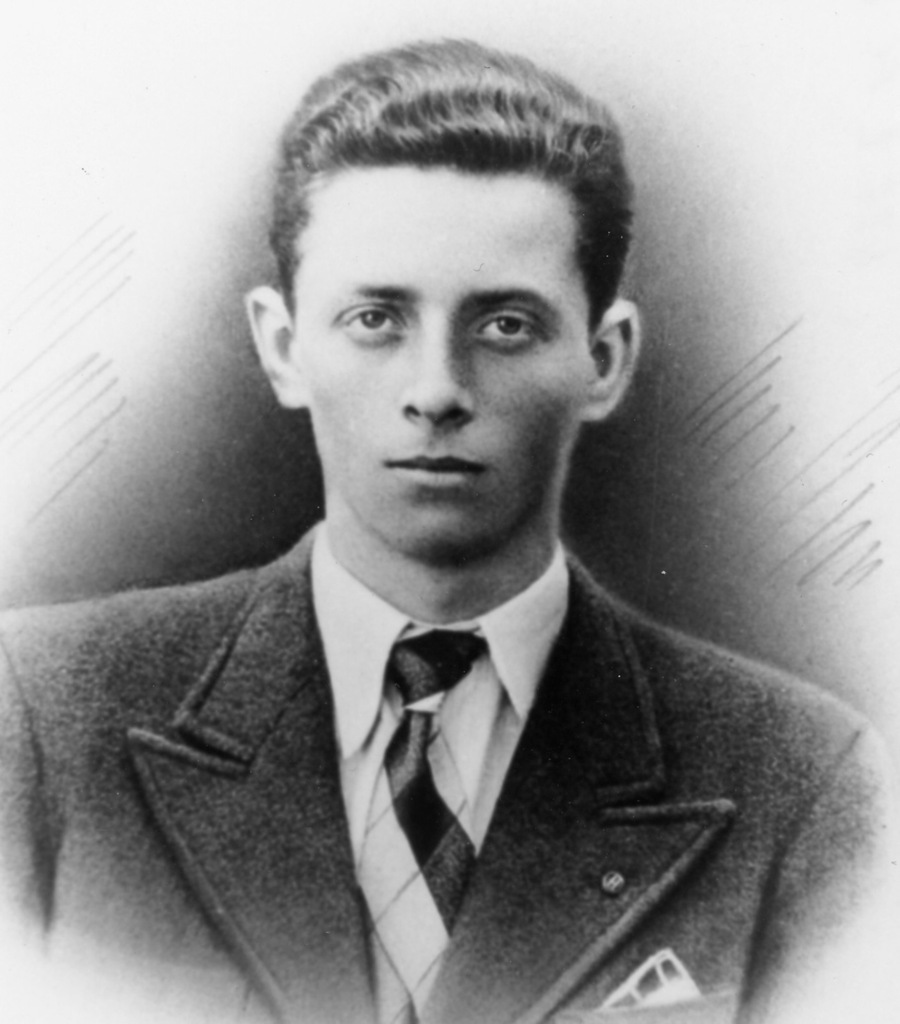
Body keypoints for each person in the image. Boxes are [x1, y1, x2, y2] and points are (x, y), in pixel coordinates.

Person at [0, 38, 894, 1024]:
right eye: (376, 319)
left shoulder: (804, 782)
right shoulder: (39, 716)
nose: (436, 390)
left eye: (505, 325)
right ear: (283, 346)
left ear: (603, 359)